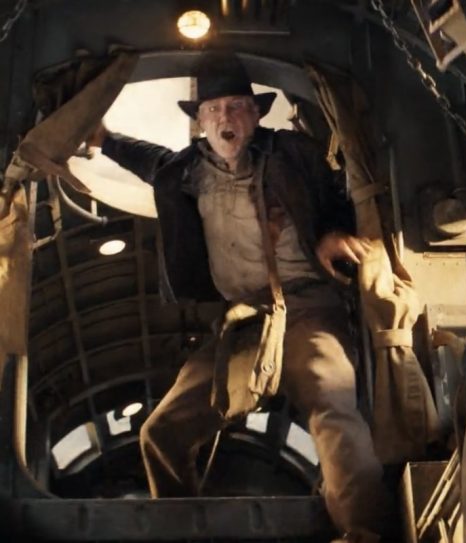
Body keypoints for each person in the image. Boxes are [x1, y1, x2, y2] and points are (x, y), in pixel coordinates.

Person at [87, 52, 385, 543]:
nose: (225, 118)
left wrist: (333, 234)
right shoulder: (183, 171)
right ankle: (182, 531)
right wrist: (105, 140)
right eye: (213, 109)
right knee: (161, 432)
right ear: (201, 122)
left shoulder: (293, 154)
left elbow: (339, 193)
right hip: (246, 320)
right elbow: (147, 159)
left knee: (331, 403)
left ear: (256, 114)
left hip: (307, 307)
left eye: (237, 106)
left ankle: (365, 533)